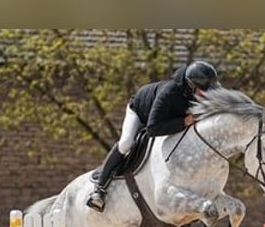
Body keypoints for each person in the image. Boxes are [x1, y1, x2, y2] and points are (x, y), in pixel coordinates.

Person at [86, 60, 221, 212]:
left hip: (167, 118)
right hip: (141, 113)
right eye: (204, 91)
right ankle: (99, 189)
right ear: (191, 86)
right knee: (126, 143)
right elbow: (153, 128)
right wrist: (184, 121)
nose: (208, 94)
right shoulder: (169, 93)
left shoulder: (206, 89)